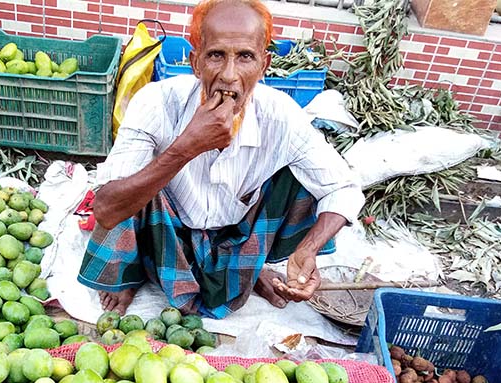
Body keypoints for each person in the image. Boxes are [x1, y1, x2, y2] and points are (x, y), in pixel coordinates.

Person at [77, 0, 365, 318]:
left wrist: (308, 249)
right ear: (196, 63)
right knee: (135, 180)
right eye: (216, 55)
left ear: (264, 65)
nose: (229, 75)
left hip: (234, 233)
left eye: (245, 57)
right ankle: (131, 273)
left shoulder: (281, 116)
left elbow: (345, 189)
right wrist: (184, 148)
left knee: (305, 177)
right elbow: (105, 208)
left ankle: (249, 271)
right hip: (168, 228)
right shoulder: (157, 103)